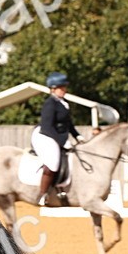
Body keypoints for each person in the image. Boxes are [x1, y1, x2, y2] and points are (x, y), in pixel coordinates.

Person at [31, 71, 81, 205]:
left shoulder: (64, 103)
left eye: (64, 87)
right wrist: (62, 142)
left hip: (55, 135)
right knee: (53, 162)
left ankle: (60, 189)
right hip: (44, 135)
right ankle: (42, 194)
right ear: (53, 89)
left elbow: (68, 124)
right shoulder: (50, 104)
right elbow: (47, 127)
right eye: (61, 87)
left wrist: (78, 136)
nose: (64, 90)